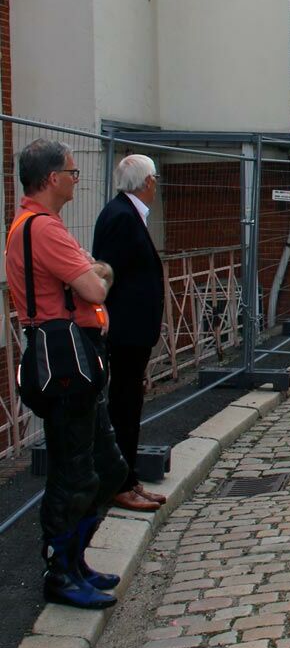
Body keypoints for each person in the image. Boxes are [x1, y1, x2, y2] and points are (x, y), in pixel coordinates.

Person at [5, 139, 126, 609]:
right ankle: (61, 570)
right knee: (74, 470)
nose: (77, 179)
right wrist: (102, 272)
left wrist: (92, 273)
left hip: (68, 357)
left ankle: (75, 562)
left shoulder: (36, 226)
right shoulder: (43, 230)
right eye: (73, 173)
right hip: (65, 361)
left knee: (102, 465)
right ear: (52, 178)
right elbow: (95, 284)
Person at [93, 154, 166, 513]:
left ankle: (130, 477)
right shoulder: (121, 217)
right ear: (147, 182)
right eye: (155, 178)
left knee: (130, 403)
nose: (156, 184)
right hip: (124, 332)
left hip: (133, 330)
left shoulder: (128, 212)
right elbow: (106, 274)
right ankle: (120, 483)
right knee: (124, 406)